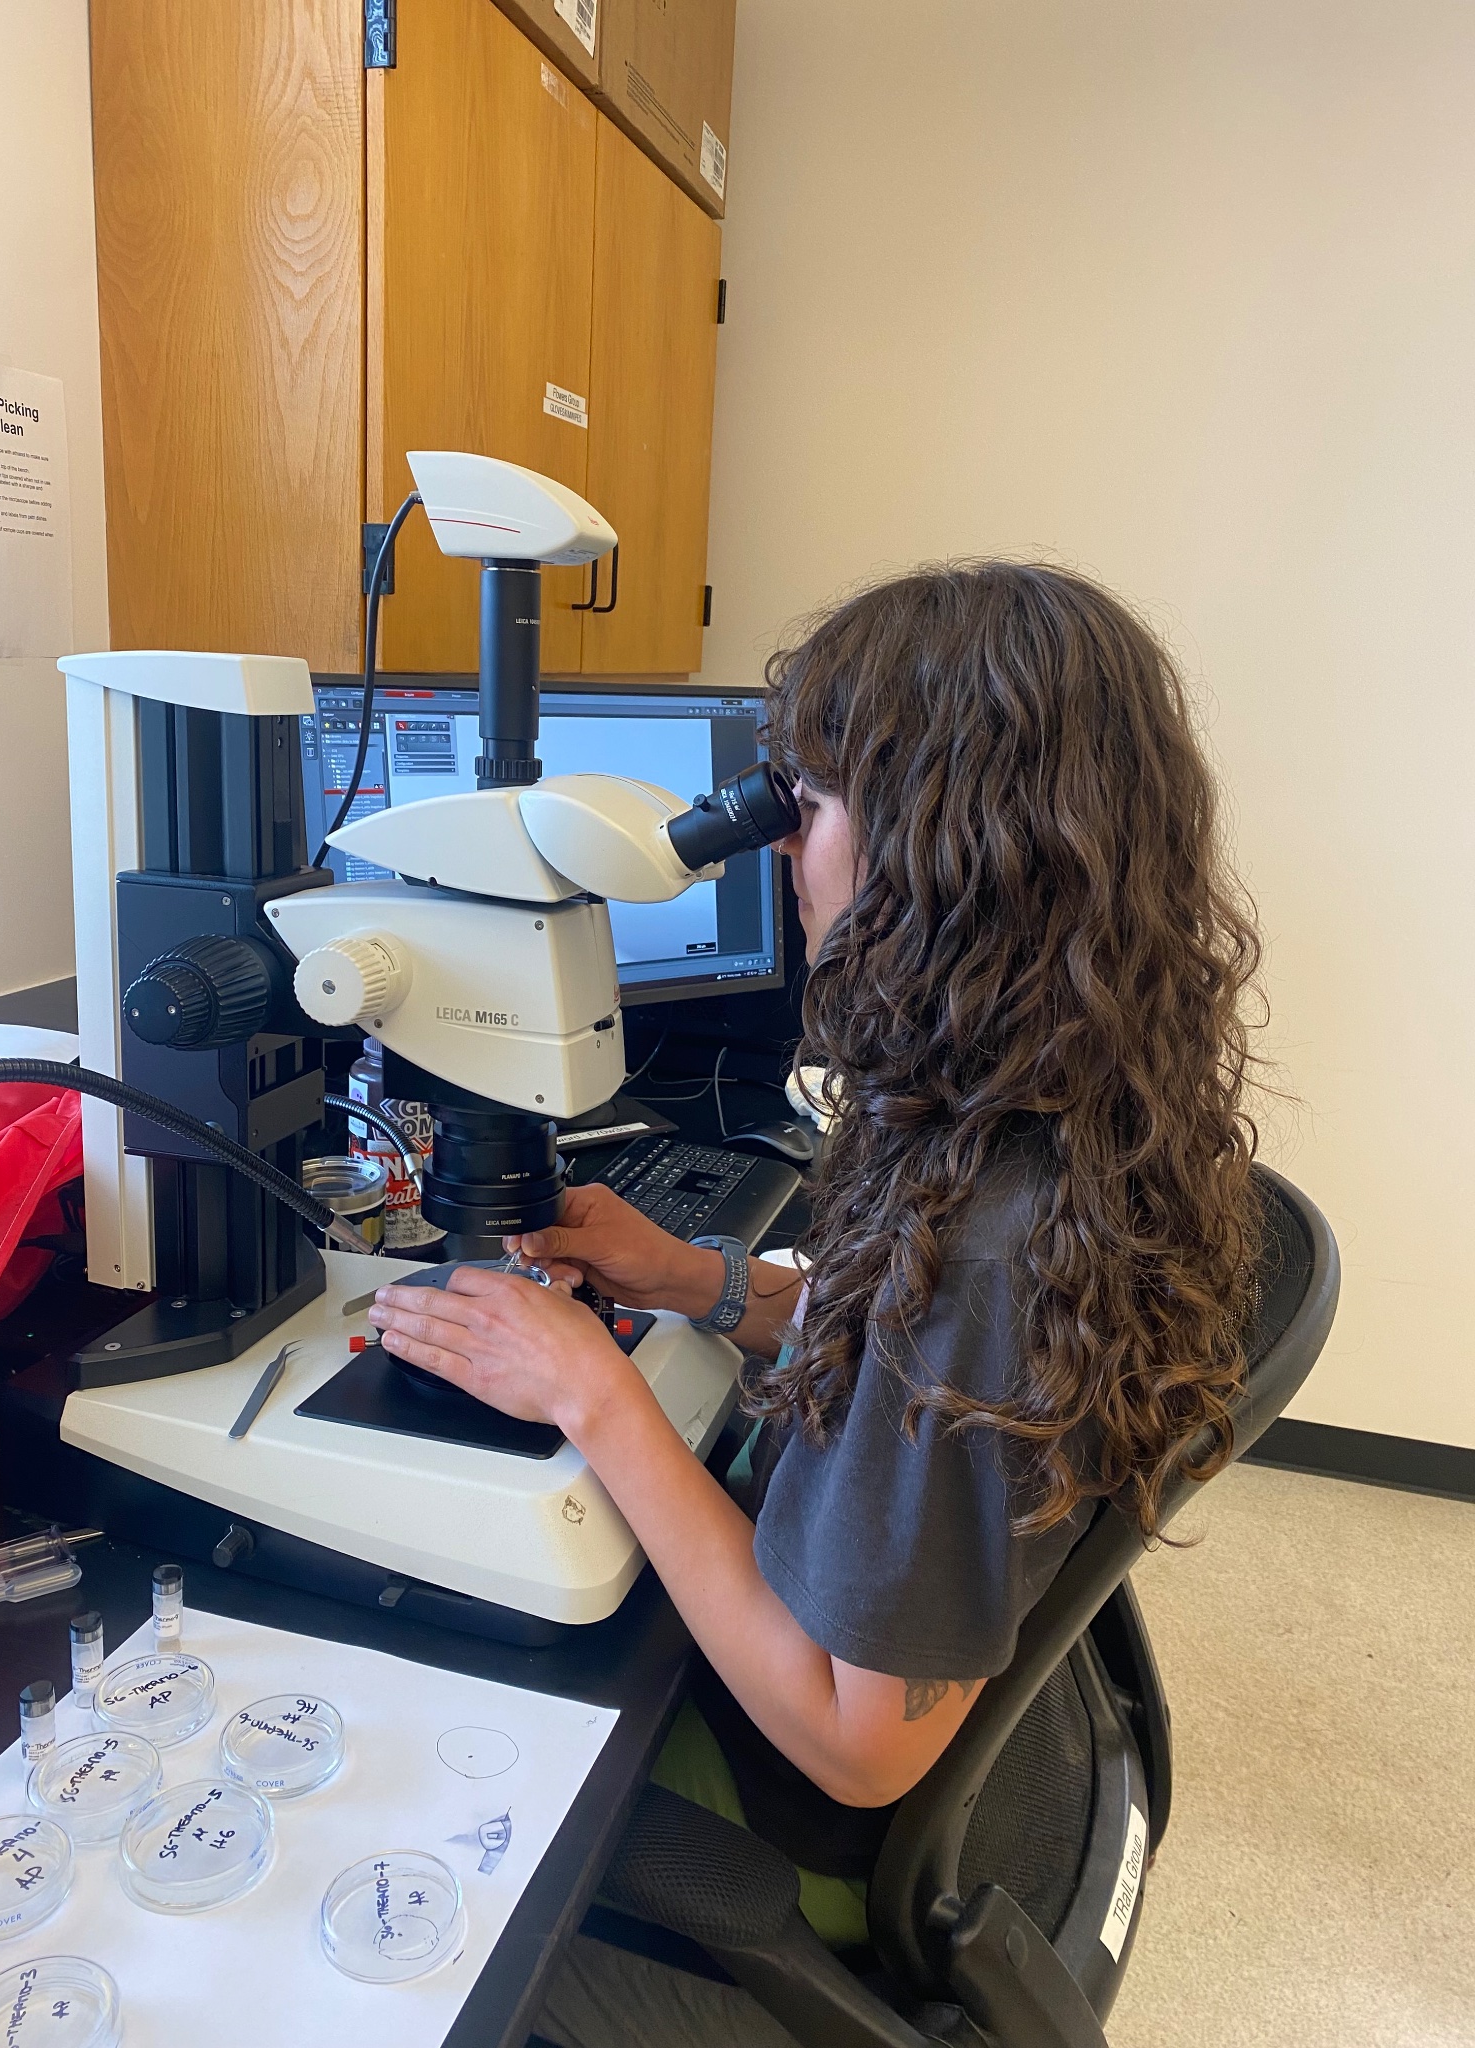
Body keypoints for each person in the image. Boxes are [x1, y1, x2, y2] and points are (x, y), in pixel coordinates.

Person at [368, 563, 1264, 2047]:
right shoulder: (1062, 1098)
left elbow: (860, 1750)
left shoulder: (986, 1232)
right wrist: (695, 1280)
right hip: (957, 1688)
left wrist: (592, 1392)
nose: (785, 847)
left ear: (948, 852)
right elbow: (910, 1343)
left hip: (806, 1811)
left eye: (814, 803)